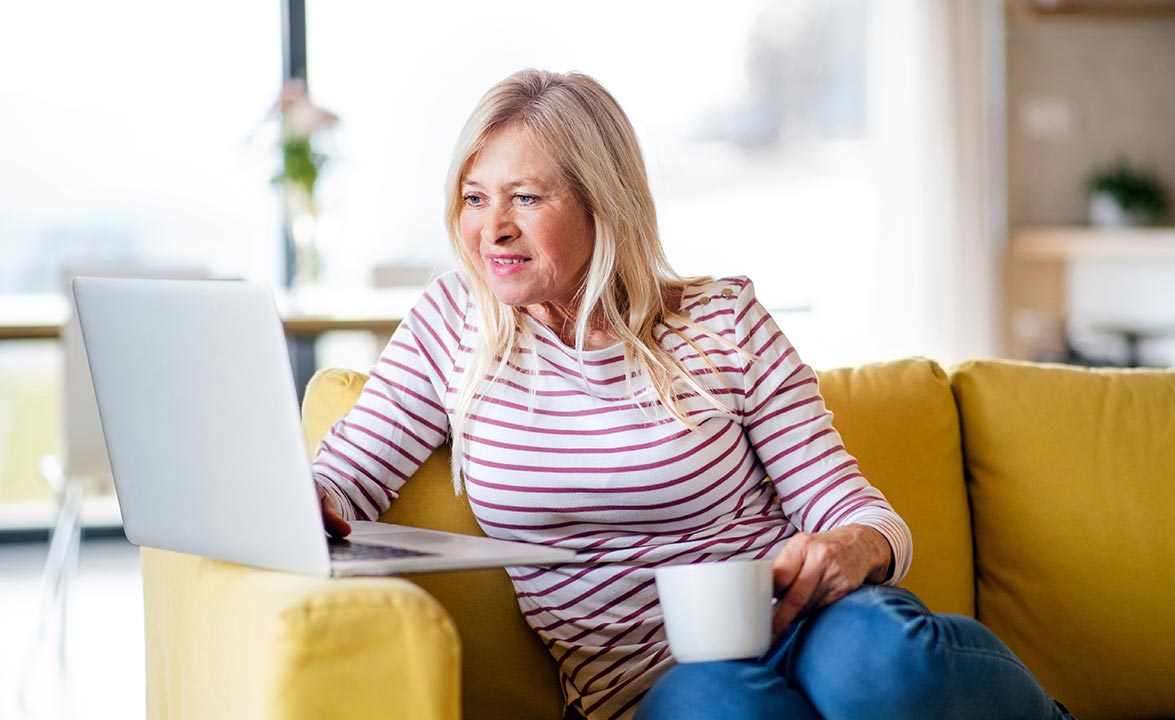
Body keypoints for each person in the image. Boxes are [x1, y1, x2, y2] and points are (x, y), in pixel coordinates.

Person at [311, 69, 1073, 720]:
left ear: (599, 201)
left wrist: (852, 548)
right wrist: (301, 503)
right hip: (652, 686)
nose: (493, 230)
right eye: (474, 198)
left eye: (526, 198)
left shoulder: (722, 322)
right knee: (722, 710)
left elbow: (861, 514)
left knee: (881, 666)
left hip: (809, 628)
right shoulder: (454, 325)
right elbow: (343, 477)